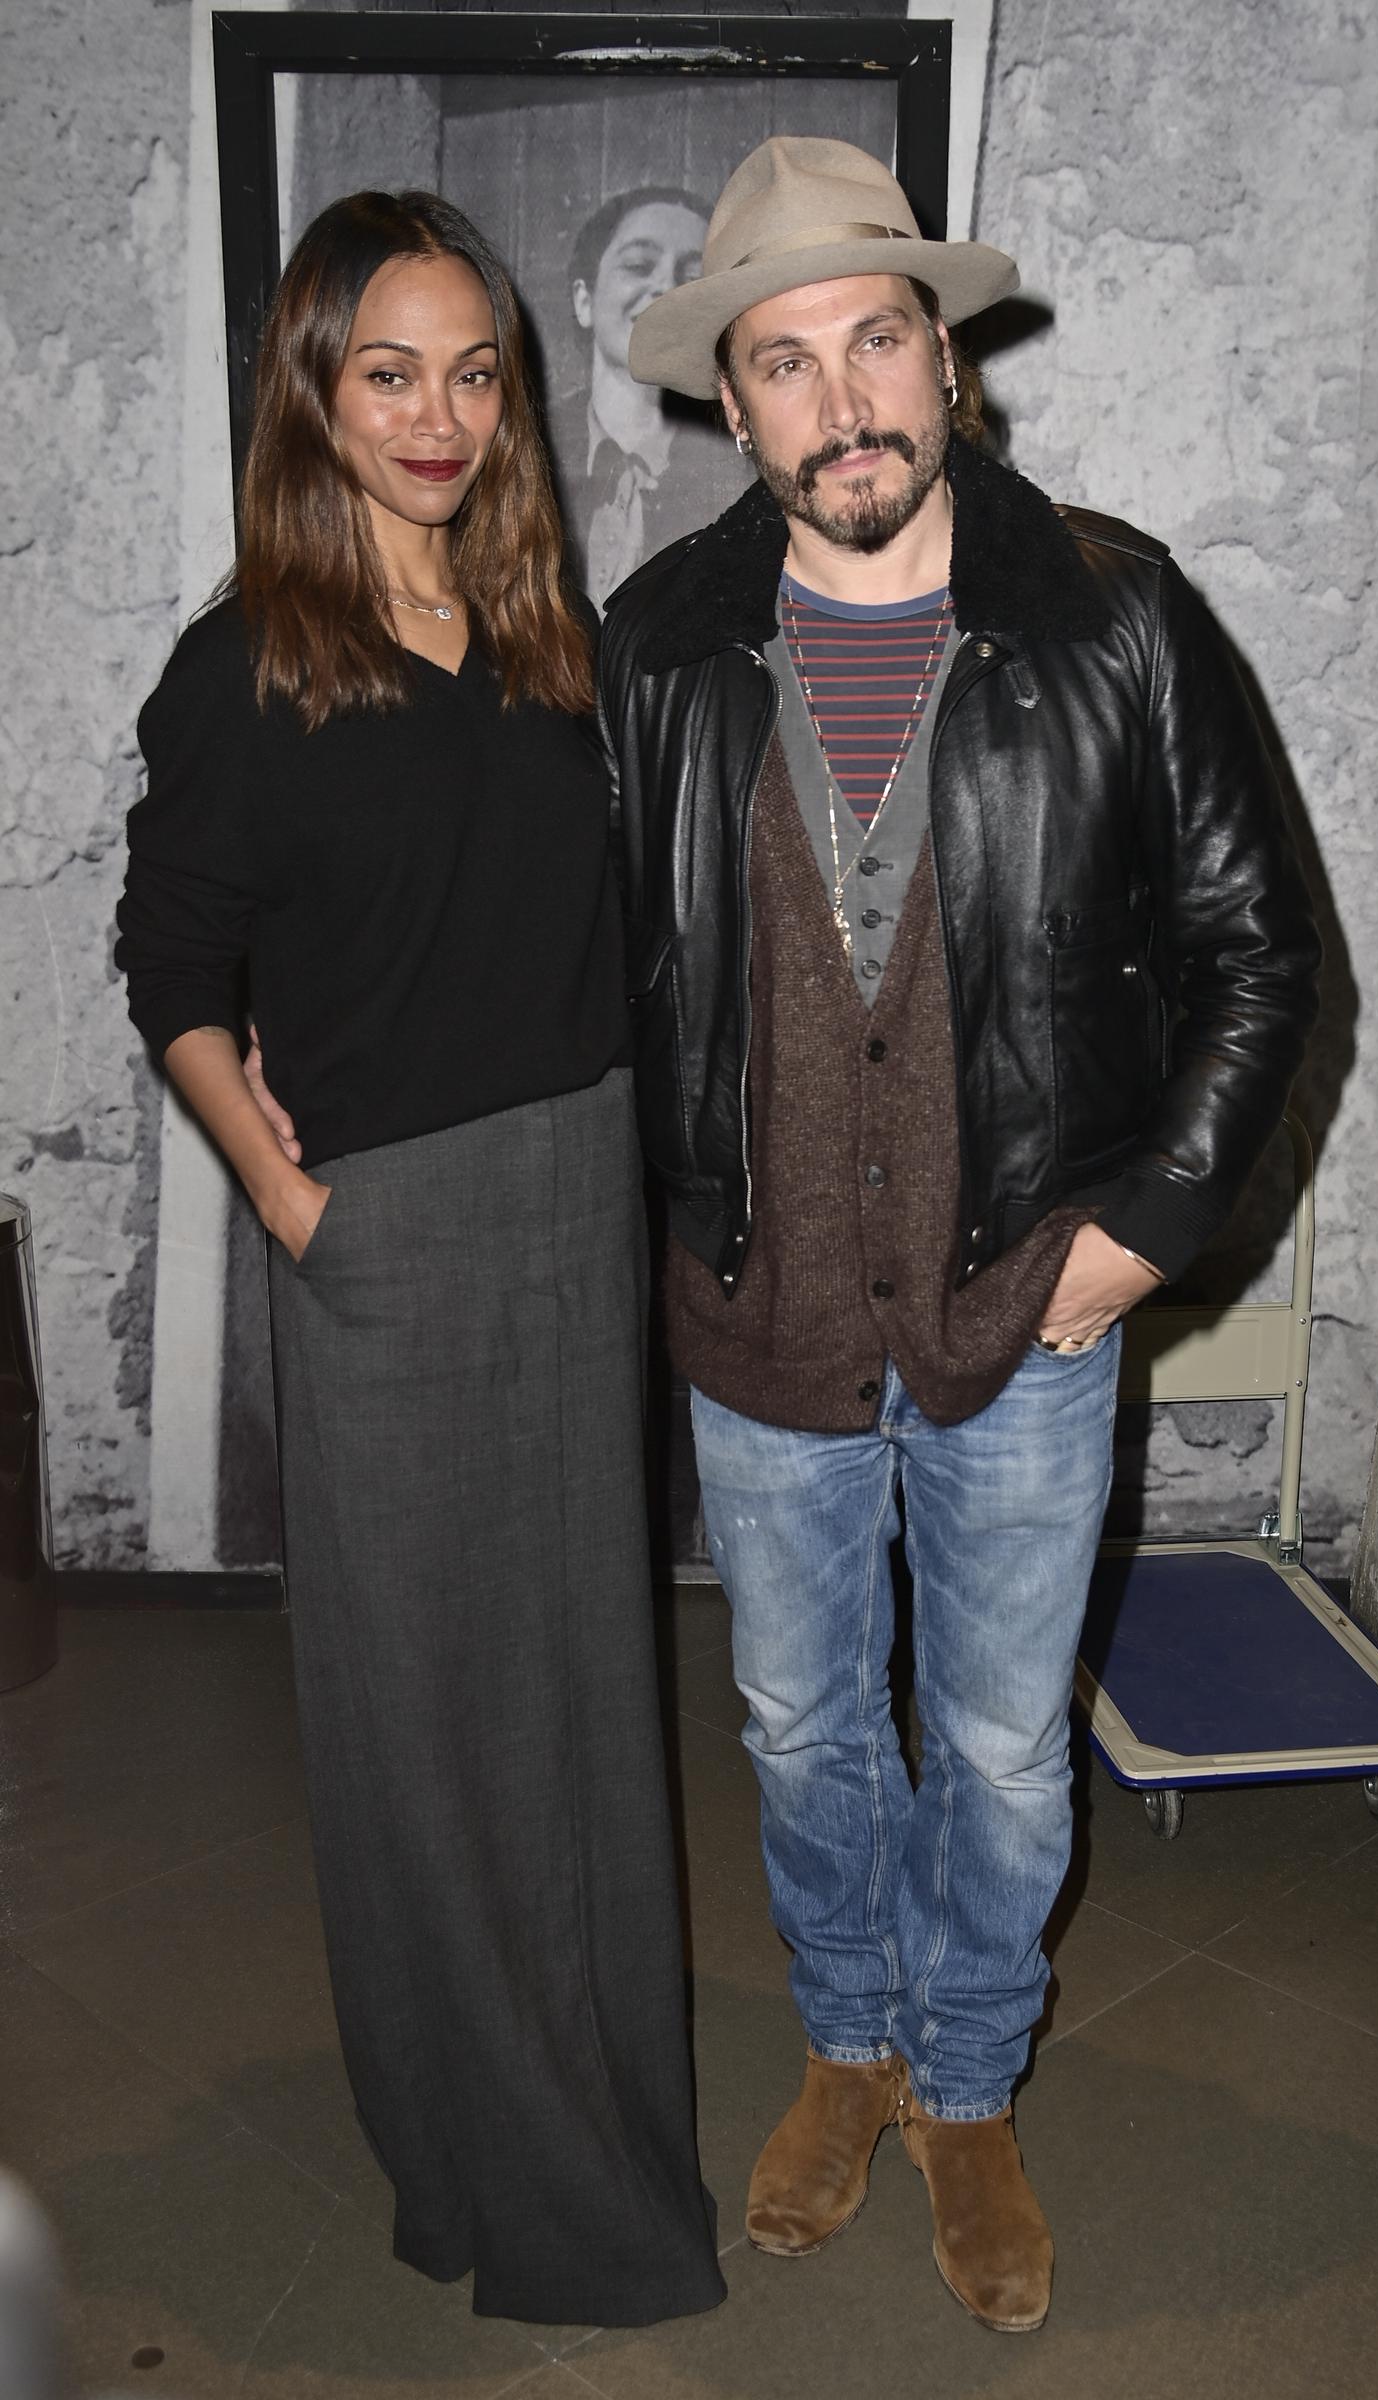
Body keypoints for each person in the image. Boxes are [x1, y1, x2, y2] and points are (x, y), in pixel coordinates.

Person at [598, 136, 1322, 2333]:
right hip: (761, 1318)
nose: (844, 406)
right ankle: (850, 2046)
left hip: (1034, 1307)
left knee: (1003, 1746)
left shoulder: (1116, 609)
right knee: (806, 1731)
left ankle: (972, 2080)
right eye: (786, 364)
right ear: (737, 407)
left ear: (947, 350)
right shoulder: (657, 649)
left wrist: (1146, 1227)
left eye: (876, 341)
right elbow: (589, 981)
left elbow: (1263, 952)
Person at [115, 190, 724, 2330]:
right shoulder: (245, 667)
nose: (442, 418)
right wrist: (291, 1201)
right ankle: (493, 2173)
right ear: (316, 390)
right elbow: (170, 966)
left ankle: (607, 2123)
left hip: (582, 1206)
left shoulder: (555, 637)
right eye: (393, 374)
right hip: (390, 1239)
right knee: (425, 1738)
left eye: (477, 374)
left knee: (584, 1714)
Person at [546, 186, 747, 606]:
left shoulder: (745, 466)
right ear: (584, 301)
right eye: (638, 265)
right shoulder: (525, 447)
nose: (663, 287)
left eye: (691, 277)